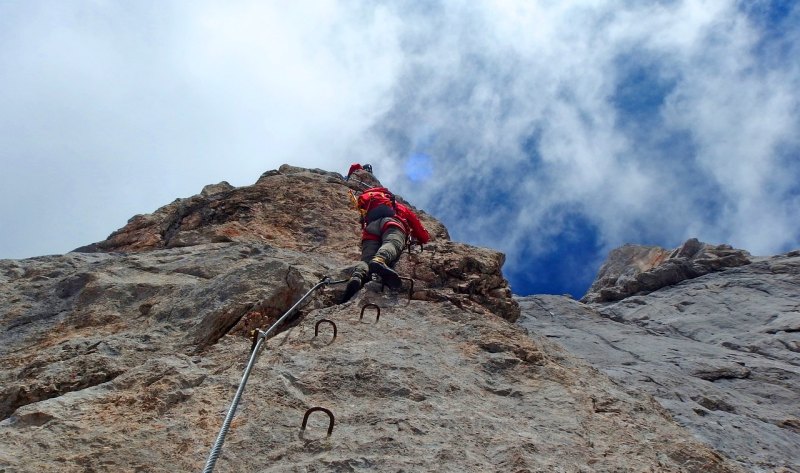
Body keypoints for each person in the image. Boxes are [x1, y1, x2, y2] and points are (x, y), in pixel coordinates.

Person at [342, 187, 430, 302]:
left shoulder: (367, 204)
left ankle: (358, 275)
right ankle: (380, 260)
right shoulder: (397, 205)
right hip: (390, 223)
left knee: (366, 259)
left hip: (370, 229)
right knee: (392, 242)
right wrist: (423, 238)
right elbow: (419, 229)